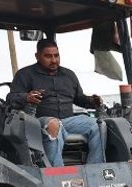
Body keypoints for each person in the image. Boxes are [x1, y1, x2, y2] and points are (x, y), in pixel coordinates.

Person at [11, 39, 105, 167]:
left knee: (99, 125)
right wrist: (26, 97)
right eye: (48, 56)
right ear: (37, 56)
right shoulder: (25, 74)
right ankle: (57, 173)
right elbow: (11, 98)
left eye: (56, 55)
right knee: (54, 124)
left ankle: (95, 169)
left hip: (68, 122)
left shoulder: (69, 75)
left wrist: (92, 101)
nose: (54, 60)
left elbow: (79, 98)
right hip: (38, 122)